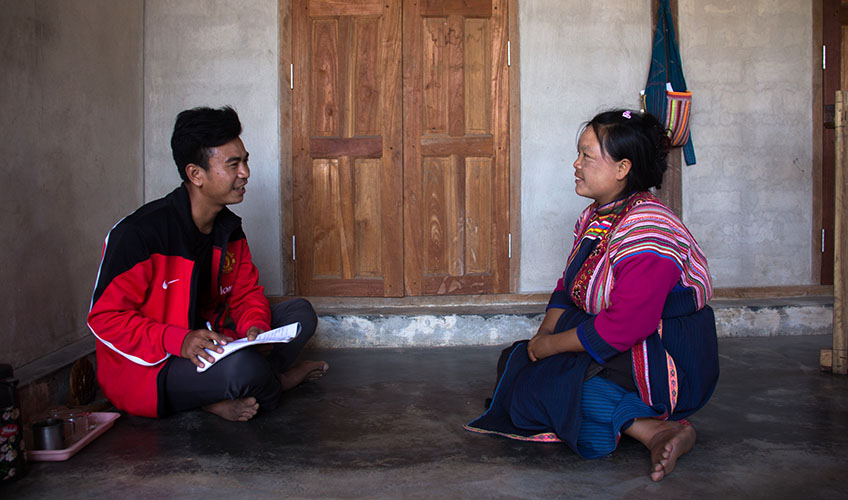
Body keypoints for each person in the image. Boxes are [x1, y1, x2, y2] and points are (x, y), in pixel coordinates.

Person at [465, 109, 719, 481]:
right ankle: (651, 428)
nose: (576, 164)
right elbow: (568, 286)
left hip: (663, 354)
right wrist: (543, 336)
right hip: (621, 344)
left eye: (587, 156)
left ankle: (657, 428)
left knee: (550, 385)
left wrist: (552, 348)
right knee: (518, 362)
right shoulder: (595, 217)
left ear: (622, 168)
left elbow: (628, 324)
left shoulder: (648, 230)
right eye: (579, 154)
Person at [88, 106, 328, 422]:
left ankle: (220, 392)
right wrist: (180, 340)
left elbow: (245, 293)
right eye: (233, 164)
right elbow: (104, 319)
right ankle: (277, 382)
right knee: (245, 368)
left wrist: (255, 327)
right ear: (196, 174)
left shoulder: (228, 228)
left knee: (299, 315)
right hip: (154, 366)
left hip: (213, 343)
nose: (245, 172)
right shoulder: (139, 234)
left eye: (245, 161)